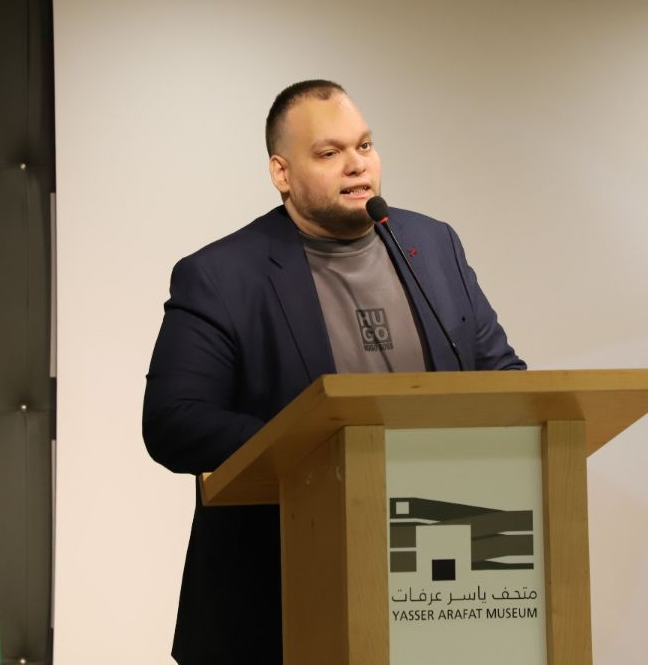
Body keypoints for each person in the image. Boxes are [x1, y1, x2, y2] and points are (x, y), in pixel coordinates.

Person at [142, 79, 525, 664]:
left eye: (364, 146)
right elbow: (174, 421)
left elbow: (503, 377)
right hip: (279, 596)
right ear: (282, 173)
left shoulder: (433, 245)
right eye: (329, 152)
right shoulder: (222, 275)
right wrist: (324, 448)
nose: (357, 165)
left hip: (444, 587)